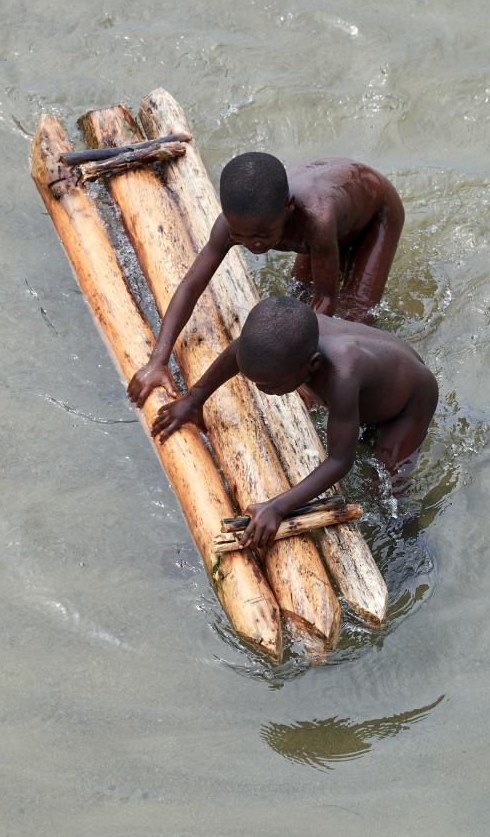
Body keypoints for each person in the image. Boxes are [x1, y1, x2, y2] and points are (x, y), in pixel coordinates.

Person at [149, 296, 438, 549]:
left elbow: (340, 461)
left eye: (271, 386)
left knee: (384, 483)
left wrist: (277, 507)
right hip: (374, 377)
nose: (263, 391)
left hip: (410, 402)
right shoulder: (278, 339)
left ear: (311, 366)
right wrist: (193, 400)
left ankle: (412, 538)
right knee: (346, 422)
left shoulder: (342, 374)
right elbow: (236, 353)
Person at [127, 152, 404, 407]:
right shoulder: (233, 226)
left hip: (377, 213)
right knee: (298, 301)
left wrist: (294, 370)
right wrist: (157, 360)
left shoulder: (315, 221)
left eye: (262, 236)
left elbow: (326, 299)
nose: (252, 245)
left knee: (352, 315)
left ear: (288, 209)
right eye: (240, 236)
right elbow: (191, 287)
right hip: (324, 222)